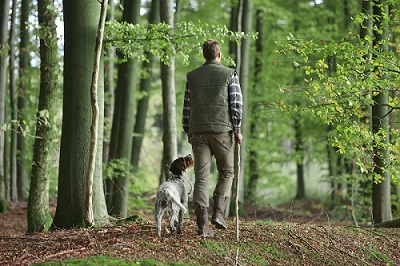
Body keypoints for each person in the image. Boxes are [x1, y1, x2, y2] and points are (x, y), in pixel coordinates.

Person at [182, 39, 243, 237]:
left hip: (198, 131)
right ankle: (218, 213)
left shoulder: (192, 76)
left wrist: (188, 130)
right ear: (219, 54)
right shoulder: (229, 73)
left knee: (201, 177)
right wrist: (237, 129)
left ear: (204, 55)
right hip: (221, 131)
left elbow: (187, 107)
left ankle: (202, 226)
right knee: (227, 171)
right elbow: (235, 103)